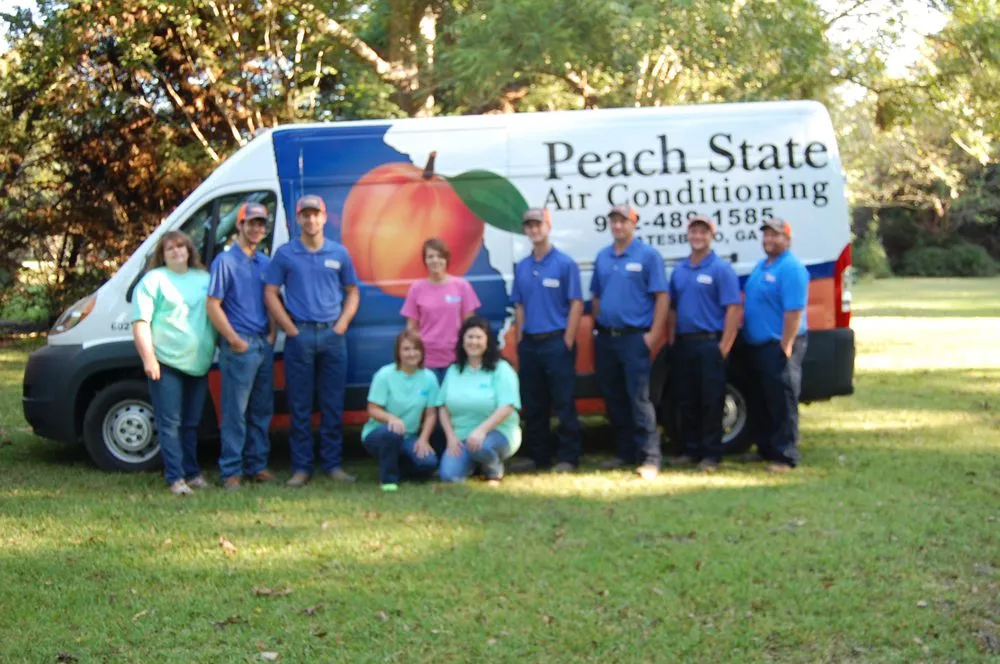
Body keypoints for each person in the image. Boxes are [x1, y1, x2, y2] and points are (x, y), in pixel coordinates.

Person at [264, 194, 360, 487]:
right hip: (300, 336)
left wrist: (342, 324)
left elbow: (353, 291)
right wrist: (289, 329)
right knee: (300, 405)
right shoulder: (285, 254)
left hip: (333, 336)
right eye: (305, 215)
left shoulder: (339, 253)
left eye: (315, 214)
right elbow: (270, 292)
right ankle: (302, 468)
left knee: (332, 404)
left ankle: (332, 465)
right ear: (298, 219)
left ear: (324, 216)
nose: (310, 220)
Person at [132, 231, 217, 495]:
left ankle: (192, 473)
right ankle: (175, 478)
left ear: (190, 250)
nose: (177, 251)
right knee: (170, 424)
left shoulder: (205, 279)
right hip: (166, 363)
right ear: (163, 253)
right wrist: (149, 359)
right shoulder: (153, 280)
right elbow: (140, 322)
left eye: (181, 246)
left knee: (191, 423)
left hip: (198, 364)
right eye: (170, 248)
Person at [590, 204, 669, 480]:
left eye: (623, 221)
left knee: (639, 398)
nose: (618, 226)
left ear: (634, 223)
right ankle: (625, 452)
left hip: (635, 338)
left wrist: (654, 335)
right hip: (607, 339)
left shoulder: (648, 256)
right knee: (614, 397)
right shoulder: (603, 256)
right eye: (614, 221)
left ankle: (650, 458)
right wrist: (599, 327)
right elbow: (596, 296)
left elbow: (662, 297)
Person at [206, 202, 276, 491]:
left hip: (263, 346)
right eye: (252, 223)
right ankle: (231, 471)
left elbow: (271, 299)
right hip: (240, 348)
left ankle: (257, 465)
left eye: (261, 224)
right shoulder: (225, 262)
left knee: (261, 411)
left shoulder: (265, 262)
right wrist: (234, 340)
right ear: (240, 225)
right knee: (235, 413)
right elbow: (213, 305)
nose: (257, 228)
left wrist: (272, 333)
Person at [508, 207, 583, 473]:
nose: (534, 230)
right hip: (530, 343)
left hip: (556, 342)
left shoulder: (564, 264)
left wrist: (567, 340)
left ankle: (568, 457)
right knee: (534, 402)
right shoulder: (523, 267)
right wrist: (519, 341)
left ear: (548, 227)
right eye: (529, 226)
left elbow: (576, 303)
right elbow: (519, 306)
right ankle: (538, 456)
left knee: (563, 401)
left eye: (538, 225)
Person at [665, 216, 742, 472]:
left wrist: (725, 345)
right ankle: (690, 450)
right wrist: (672, 337)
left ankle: (711, 455)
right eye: (694, 232)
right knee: (686, 399)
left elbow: (733, 309)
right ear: (688, 235)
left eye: (703, 232)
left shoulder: (720, 269)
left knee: (711, 400)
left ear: (712, 236)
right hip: (685, 344)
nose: (698, 236)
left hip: (710, 343)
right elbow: (673, 307)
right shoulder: (680, 270)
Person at [742, 217, 809, 473]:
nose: (769, 240)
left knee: (782, 401)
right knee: (762, 399)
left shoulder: (791, 268)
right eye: (766, 235)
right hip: (758, 345)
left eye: (776, 235)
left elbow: (794, 311)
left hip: (778, 345)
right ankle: (766, 448)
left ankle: (786, 455)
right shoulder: (764, 265)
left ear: (787, 239)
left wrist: (787, 344)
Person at [437, 316, 522, 484]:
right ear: (462, 341)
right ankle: (476, 462)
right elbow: (442, 407)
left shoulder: (501, 369)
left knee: (482, 446)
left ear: (487, 341)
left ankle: (493, 469)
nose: (474, 342)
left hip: (498, 433)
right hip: (462, 436)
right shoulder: (454, 370)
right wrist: (451, 438)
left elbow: (507, 406)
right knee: (449, 477)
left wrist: (481, 431)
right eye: (469, 337)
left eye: (479, 337)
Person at [361, 330, 440, 491]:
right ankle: (388, 480)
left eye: (416, 349)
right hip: (380, 433)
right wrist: (391, 418)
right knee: (392, 433)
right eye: (406, 349)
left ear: (422, 352)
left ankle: (396, 467)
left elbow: (431, 414)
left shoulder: (429, 378)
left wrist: (423, 440)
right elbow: (373, 409)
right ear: (398, 352)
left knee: (428, 464)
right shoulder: (385, 375)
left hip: (409, 435)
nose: (412, 353)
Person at [401, 238, 480, 383]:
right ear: (425, 261)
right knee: (430, 402)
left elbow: (470, 327)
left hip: (456, 358)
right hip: (427, 359)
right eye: (430, 256)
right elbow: (411, 328)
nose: (435, 260)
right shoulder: (416, 288)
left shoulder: (462, 286)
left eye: (439, 256)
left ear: (446, 259)